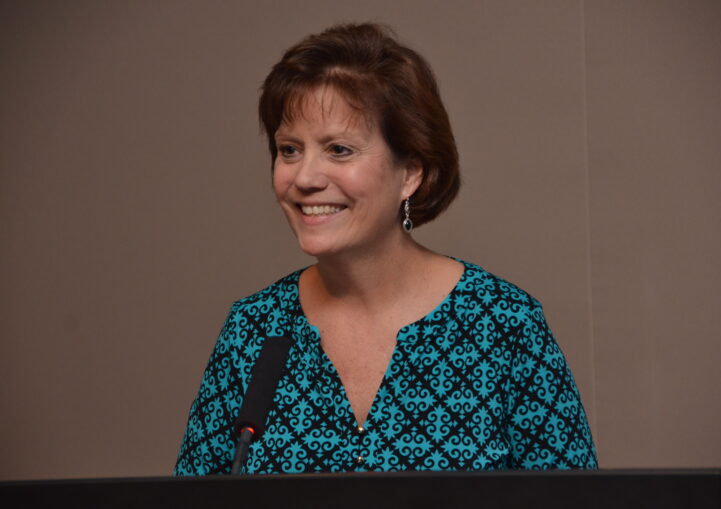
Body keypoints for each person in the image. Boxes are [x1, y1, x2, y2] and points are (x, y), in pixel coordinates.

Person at [174, 22, 597, 475]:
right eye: (289, 149)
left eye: (338, 149)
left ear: (410, 172)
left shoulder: (505, 325)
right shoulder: (252, 332)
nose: (304, 178)